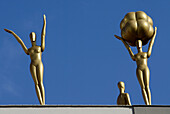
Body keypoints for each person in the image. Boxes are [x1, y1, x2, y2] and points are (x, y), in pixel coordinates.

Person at [4, 14, 46, 105]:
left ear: (35, 37)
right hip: (32, 65)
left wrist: (44, 23)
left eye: (33, 35)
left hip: (39, 63)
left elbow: (43, 35)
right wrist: (13, 33)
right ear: (30, 38)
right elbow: (20, 42)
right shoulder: (28, 50)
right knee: (36, 83)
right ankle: (41, 103)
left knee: (41, 82)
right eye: (31, 36)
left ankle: (44, 103)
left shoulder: (40, 47)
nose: (32, 36)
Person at [114, 27, 157, 105]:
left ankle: (149, 104)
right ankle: (147, 103)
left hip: (145, 68)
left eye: (139, 43)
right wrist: (122, 40)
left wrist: (154, 35)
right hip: (139, 69)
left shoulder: (145, 54)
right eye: (137, 43)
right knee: (142, 87)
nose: (138, 45)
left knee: (147, 86)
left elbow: (151, 44)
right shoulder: (135, 56)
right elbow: (128, 48)